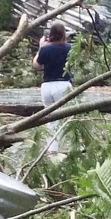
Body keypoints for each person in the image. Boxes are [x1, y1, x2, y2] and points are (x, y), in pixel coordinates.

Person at [32, 21, 72, 153]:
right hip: (63, 84)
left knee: (50, 119)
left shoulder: (45, 49)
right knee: (64, 118)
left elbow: (36, 65)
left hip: (47, 86)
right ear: (63, 34)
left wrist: (41, 47)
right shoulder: (69, 48)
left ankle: (51, 149)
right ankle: (60, 148)